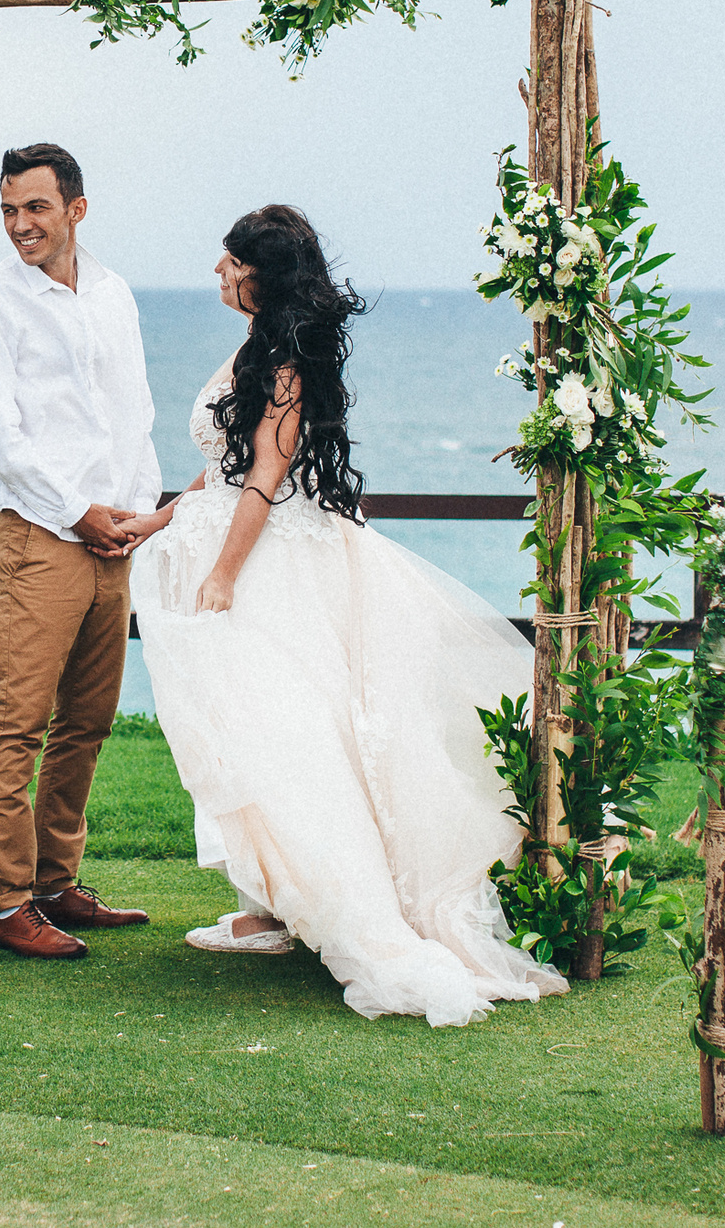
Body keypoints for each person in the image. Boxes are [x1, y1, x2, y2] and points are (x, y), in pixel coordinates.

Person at [115, 205, 567, 1025]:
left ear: (263, 274)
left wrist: (222, 575)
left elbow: (264, 477)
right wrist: (156, 520)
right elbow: (222, 469)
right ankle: (267, 906)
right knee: (254, 734)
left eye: (230, 262)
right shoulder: (256, 349)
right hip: (249, 549)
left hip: (271, 570)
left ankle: (330, 910)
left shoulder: (287, 362)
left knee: (286, 737)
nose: (218, 272)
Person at [0, 143, 162, 960]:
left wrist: (136, 514)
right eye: (9, 209)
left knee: (87, 721)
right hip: (42, 536)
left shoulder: (114, 293)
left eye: (35, 207)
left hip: (114, 540)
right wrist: (78, 511)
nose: (20, 224)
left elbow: (133, 411)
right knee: (20, 723)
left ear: (76, 208)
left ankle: (54, 883)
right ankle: (10, 904)